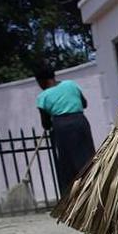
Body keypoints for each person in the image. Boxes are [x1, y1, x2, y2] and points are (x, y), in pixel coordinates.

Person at [34, 66, 96, 197]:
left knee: (68, 163)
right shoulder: (71, 85)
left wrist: (49, 122)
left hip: (62, 127)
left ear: (41, 81)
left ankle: (73, 196)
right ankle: (94, 189)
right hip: (80, 122)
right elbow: (84, 103)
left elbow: (46, 123)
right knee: (87, 158)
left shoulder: (43, 97)